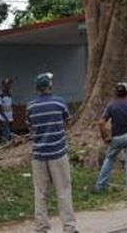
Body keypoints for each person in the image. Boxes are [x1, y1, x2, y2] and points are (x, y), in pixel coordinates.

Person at [26, 72, 76, 233]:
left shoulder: (31, 106)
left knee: (40, 193)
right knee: (63, 190)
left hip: (38, 155)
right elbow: (67, 121)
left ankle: (41, 228)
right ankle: (69, 228)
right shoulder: (59, 103)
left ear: (37, 88)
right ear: (50, 86)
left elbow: (30, 128)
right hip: (58, 153)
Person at [0, 78, 13, 143]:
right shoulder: (0, 95)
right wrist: (4, 117)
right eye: (8, 84)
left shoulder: (9, 94)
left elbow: (9, 104)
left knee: (10, 133)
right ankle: (5, 145)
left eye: (10, 84)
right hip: (3, 117)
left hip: (10, 116)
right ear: (4, 85)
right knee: (6, 133)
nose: (9, 86)